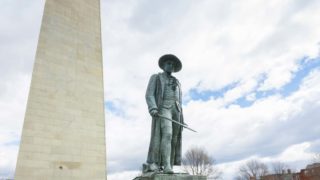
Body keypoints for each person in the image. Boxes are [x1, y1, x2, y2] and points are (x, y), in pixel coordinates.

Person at [144, 54, 184, 174]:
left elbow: (179, 101)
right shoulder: (156, 77)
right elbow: (149, 94)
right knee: (167, 134)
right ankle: (166, 165)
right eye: (168, 63)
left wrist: (182, 117)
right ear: (163, 65)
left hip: (176, 111)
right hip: (163, 109)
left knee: (174, 139)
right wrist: (153, 108)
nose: (170, 66)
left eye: (172, 64)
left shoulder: (177, 82)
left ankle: (169, 165)